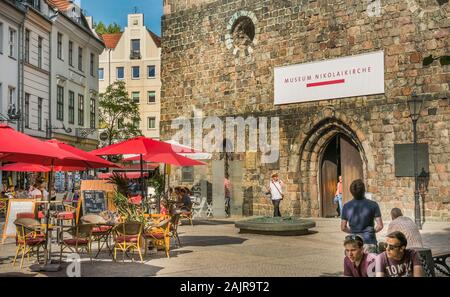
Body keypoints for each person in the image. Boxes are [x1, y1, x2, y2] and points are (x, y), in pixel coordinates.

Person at [341, 179, 383, 253]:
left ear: (351, 192)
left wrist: (353, 232)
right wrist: (371, 232)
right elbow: (380, 226)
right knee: (370, 264)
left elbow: (343, 227)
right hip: (369, 242)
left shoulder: (346, 206)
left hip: (354, 244)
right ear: (364, 190)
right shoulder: (373, 205)